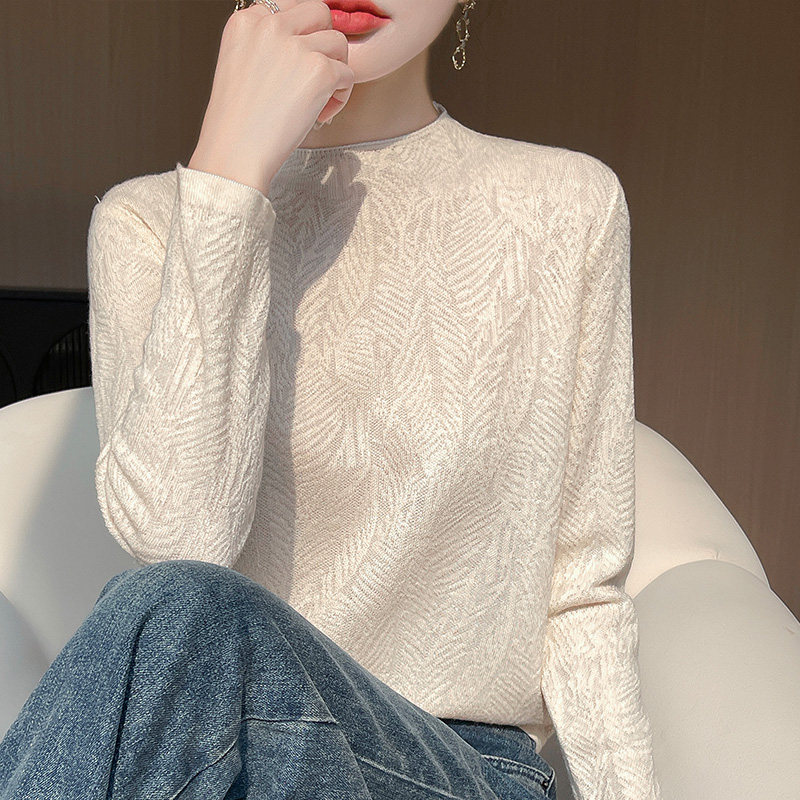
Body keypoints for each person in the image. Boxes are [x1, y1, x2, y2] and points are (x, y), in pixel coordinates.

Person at [0, 0, 662, 798]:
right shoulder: (146, 225)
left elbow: (583, 591)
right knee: (177, 604)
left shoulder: (564, 205)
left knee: (176, 609)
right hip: (223, 762)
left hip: (456, 770)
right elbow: (183, 536)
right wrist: (228, 176)